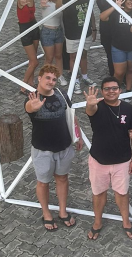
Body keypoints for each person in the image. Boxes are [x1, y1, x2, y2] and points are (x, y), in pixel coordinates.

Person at [24, 64, 84, 231]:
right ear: (40, 78)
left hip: (64, 146)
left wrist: (77, 136)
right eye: (47, 78)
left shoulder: (61, 94)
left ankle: (63, 211)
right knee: (43, 182)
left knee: (62, 178)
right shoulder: (32, 98)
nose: (51, 81)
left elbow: (71, 115)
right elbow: (29, 108)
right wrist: (33, 106)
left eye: (54, 79)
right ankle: (46, 213)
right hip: (43, 150)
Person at [84, 77, 132, 240]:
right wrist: (90, 103)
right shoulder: (97, 107)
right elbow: (90, 110)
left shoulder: (129, 109)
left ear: (120, 90)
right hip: (98, 161)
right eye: (107, 89)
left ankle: (126, 222)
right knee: (98, 193)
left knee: (122, 194)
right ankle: (97, 223)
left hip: (122, 161)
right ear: (102, 91)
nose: (111, 91)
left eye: (114, 88)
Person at [56, 0, 97, 95]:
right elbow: (58, 8)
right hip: (72, 34)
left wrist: (94, 28)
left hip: (86, 33)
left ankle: (85, 76)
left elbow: (91, 13)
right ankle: (76, 80)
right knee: (73, 57)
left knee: (84, 55)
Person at [99, 0, 132, 95]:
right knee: (119, 72)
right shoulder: (117, 11)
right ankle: (115, 91)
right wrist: (115, 6)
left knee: (131, 69)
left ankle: (128, 91)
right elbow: (102, 17)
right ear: (124, 0)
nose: (131, 2)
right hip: (118, 46)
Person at [17, 0, 40, 95]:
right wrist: (21, 4)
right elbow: (21, 8)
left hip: (34, 28)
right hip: (25, 30)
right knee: (34, 62)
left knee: (33, 59)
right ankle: (23, 86)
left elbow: (32, 14)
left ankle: (31, 83)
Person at [40, 0, 66, 86]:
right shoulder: (45, 3)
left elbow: (59, 7)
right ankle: (45, 77)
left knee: (59, 56)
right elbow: (43, 6)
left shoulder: (60, 3)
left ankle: (59, 75)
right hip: (47, 32)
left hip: (58, 31)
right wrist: (42, 4)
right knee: (49, 58)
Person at [96, 0, 119, 77]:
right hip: (107, 33)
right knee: (110, 55)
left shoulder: (121, 0)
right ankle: (113, 73)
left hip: (117, 33)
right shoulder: (104, 1)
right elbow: (100, 1)